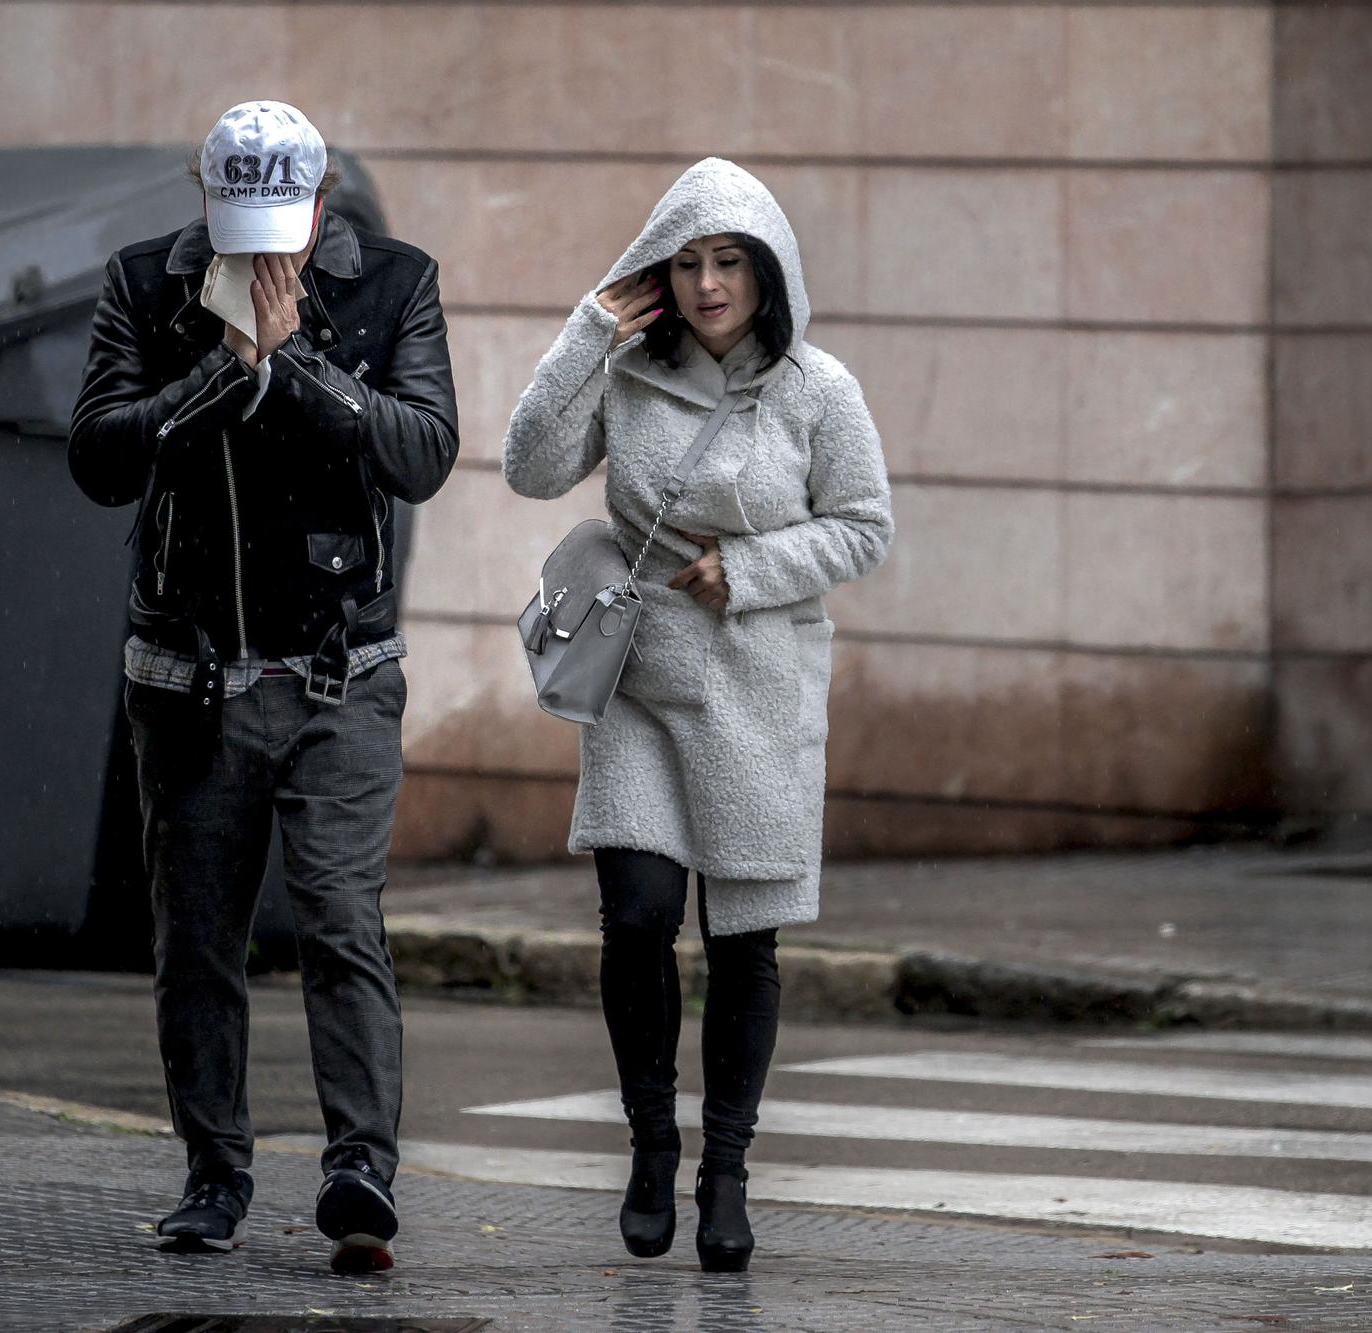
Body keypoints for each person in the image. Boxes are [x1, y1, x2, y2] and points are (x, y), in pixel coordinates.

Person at [68, 100, 458, 1274]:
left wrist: (297, 368)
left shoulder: (393, 285)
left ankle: (360, 1167)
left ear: (321, 198)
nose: (263, 255)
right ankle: (213, 1171)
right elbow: (97, 452)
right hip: (186, 675)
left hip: (342, 669)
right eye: (239, 229)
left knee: (340, 917)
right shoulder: (148, 285)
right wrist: (217, 368)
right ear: (205, 202)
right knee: (196, 937)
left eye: (281, 227)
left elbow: (422, 449)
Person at [502, 158, 894, 1272]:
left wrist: (754, 569)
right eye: (687, 262)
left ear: (766, 273)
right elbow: (528, 466)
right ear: (658, 274)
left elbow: (863, 526)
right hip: (641, 678)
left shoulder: (821, 388)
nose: (709, 283)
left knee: (742, 940)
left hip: (760, 685)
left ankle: (724, 1169)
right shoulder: (626, 372)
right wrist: (587, 331)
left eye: (728, 262)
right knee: (633, 912)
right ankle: (647, 1143)